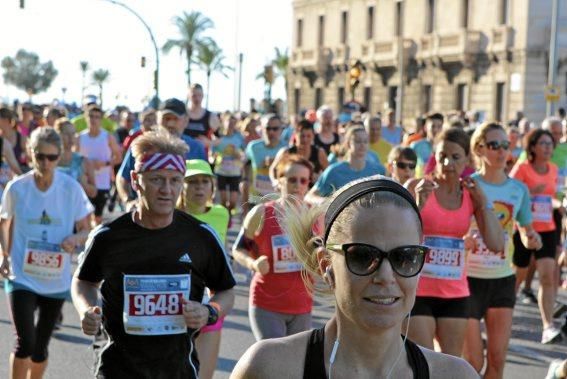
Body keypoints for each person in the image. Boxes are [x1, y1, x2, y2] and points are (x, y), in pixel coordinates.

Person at [231, 176, 478, 378]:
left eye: (404, 257)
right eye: (362, 256)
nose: (385, 276)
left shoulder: (455, 375)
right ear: (326, 265)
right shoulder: (271, 369)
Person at [71, 129, 235, 378]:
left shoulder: (200, 236)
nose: (167, 190)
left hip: (177, 370)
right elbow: (84, 280)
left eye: (175, 180)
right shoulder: (108, 237)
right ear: (136, 180)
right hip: (117, 369)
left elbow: (225, 290)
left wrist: (209, 312)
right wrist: (86, 310)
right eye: (157, 179)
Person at [0, 127, 92, 379]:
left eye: (52, 157)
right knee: (25, 344)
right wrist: (4, 255)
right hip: (22, 275)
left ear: (60, 156)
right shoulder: (17, 188)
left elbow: (88, 229)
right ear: (31, 154)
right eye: (40, 156)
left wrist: (75, 237)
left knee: (40, 349)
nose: (45, 163)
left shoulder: (70, 189)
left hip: (55, 279)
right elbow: (4, 221)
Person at [405, 127, 504, 356]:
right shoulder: (417, 187)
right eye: (442, 156)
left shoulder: (470, 194)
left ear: (467, 159)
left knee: (449, 365)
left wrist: (483, 203)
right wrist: (418, 204)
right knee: (423, 361)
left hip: (455, 292)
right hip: (418, 289)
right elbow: (395, 236)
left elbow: (497, 245)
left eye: (455, 157)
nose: (448, 162)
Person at [464, 123, 542, 378]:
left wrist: (531, 239)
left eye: (505, 145)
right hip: (467, 280)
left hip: (501, 280)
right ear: (479, 148)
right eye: (494, 145)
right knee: (471, 363)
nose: (501, 151)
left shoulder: (518, 189)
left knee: (497, 362)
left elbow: (523, 228)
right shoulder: (469, 186)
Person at [233, 155, 314, 341]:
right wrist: (253, 264)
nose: (298, 185)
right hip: (267, 304)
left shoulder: (315, 217)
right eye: (292, 179)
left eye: (303, 180)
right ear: (279, 182)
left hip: (302, 306)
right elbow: (238, 249)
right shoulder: (262, 213)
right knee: (274, 362)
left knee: (295, 364)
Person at [178, 159, 230, 379]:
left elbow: (223, 254)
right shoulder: (171, 215)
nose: (199, 187)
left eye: (204, 181)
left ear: (212, 186)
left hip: (209, 305)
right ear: (182, 185)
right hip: (175, 307)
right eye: (192, 182)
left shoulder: (221, 214)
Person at [510, 128, 562, 344]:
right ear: (532, 147)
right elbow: (509, 194)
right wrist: (530, 193)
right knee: (518, 277)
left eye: (550, 143)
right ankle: (503, 317)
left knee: (548, 275)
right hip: (524, 228)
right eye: (543, 143)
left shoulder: (553, 169)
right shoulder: (522, 168)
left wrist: (559, 204)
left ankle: (548, 326)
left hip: (547, 228)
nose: (548, 147)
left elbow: (551, 197)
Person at [116, 98, 207, 209]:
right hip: (147, 215)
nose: (170, 124)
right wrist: (128, 201)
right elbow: (122, 177)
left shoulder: (196, 148)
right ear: (157, 119)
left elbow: (206, 183)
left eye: (175, 119)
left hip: (185, 216)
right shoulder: (143, 145)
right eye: (166, 118)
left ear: (186, 121)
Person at [306, 126, 385, 204]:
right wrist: (328, 203)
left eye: (365, 141)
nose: (362, 145)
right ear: (348, 143)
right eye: (358, 141)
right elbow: (309, 197)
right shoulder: (333, 171)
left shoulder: (378, 170)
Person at [77, 104, 122, 225]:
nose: (93, 120)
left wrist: (104, 163)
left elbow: (118, 157)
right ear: (86, 118)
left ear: (101, 119)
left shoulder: (107, 137)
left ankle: (95, 240)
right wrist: (85, 166)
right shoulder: (80, 137)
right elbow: (74, 160)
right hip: (85, 183)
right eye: (91, 116)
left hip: (102, 183)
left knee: (98, 217)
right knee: (84, 217)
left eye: (97, 117)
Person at [243, 114, 286, 210]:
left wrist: (276, 164)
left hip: (278, 200)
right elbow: (245, 166)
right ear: (262, 129)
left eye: (275, 129)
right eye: (268, 128)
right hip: (256, 198)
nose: (271, 132)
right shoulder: (253, 147)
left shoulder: (286, 148)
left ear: (281, 130)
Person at [269, 120, 328, 185]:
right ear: (295, 135)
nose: (305, 140)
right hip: (291, 192)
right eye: (302, 136)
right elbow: (273, 169)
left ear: (313, 136)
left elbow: (329, 173)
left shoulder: (319, 153)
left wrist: (320, 179)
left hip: (311, 193)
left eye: (308, 136)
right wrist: (275, 182)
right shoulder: (286, 152)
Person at [53, 118, 97, 199]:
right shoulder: (50, 159)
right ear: (58, 135)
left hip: (76, 208)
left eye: (73, 134)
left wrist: (84, 185)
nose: (71, 137)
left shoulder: (83, 161)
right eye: (66, 134)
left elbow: (94, 192)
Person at [212, 113, 246, 213]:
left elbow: (244, 154)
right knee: (223, 200)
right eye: (229, 122)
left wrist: (239, 155)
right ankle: (225, 219)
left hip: (234, 172)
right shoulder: (219, 138)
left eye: (233, 123)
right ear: (223, 123)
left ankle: (229, 215)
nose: (231, 125)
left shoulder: (239, 138)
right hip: (221, 171)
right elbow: (212, 153)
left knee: (233, 202)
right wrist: (214, 157)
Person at [185, 83, 221, 150]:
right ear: (188, 96)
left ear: (203, 96)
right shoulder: (183, 114)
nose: (197, 99)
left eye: (199, 95)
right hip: (184, 155)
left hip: (201, 156)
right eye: (194, 96)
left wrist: (209, 143)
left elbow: (219, 139)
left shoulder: (211, 116)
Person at [410, 112, 443, 178]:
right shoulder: (416, 146)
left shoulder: (446, 147)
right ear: (425, 128)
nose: (436, 130)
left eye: (439, 126)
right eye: (433, 126)